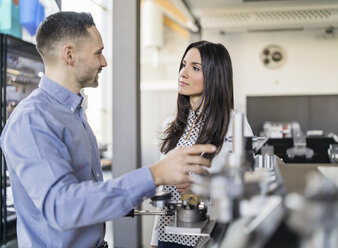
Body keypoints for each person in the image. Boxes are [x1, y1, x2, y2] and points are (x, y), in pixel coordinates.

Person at [0, 12, 217, 248]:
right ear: (69, 55)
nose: (104, 62)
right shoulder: (32, 120)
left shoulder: (74, 113)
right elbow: (62, 207)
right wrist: (154, 175)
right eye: (98, 53)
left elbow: (87, 198)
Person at [150, 41, 253, 248]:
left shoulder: (234, 123)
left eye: (195, 68)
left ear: (215, 76)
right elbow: (165, 189)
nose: (183, 73)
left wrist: (202, 191)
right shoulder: (171, 123)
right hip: (168, 234)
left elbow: (246, 191)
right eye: (184, 64)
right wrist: (154, 241)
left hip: (207, 238)